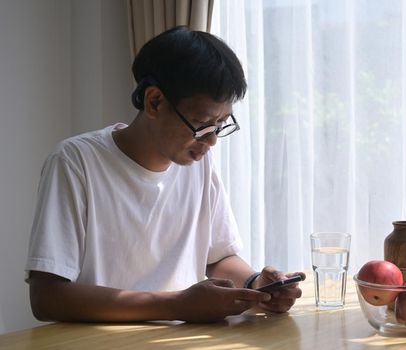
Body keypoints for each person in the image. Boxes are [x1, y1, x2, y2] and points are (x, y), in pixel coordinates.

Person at [25, 26, 305, 323]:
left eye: (221, 125)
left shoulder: (197, 164)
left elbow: (219, 257)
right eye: (202, 123)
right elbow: (47, 297)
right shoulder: (76, 162)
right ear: (154, 102)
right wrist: (177, 306)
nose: (210, 141)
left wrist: (256, 286)